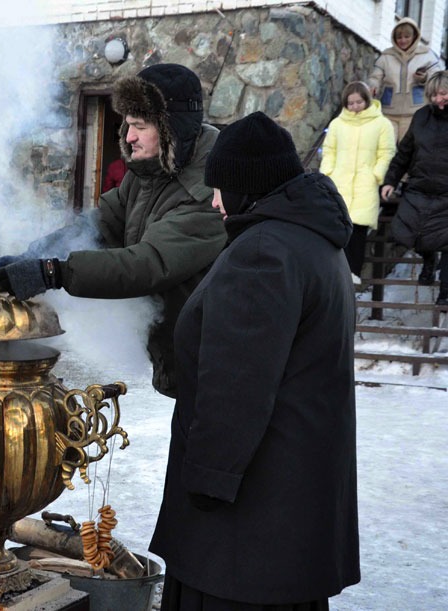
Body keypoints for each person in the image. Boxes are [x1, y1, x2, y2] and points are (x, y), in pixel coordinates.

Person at [149, 112, 360, 610]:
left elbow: (236, 388)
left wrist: (205, 482)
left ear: (249, 186)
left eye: (221, 187)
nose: (215, 200)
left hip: (248, 520)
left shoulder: (264, 251)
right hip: (290, 503)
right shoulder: (315, 241)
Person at [0, 64, 226, 398]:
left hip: (216, 365)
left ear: (172, 129)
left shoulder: (208, 188)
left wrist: (54, 272)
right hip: (181, 355)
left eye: (139, 126)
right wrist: (35, 254)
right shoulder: (149, 172)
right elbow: (102, 223)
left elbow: (148, 264)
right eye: (127, 125)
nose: (129, 138)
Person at [381, 71, 448, 305]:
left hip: (447, 194)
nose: (439, 99)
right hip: (419, 188)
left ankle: (445, 294)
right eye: (434, 95)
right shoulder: (421, 117)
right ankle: (428, 260)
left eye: (443, 93)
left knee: (446, 240)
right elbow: (405, 152)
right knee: (405, 233)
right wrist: (390, 180)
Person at [320, 81, 395, 283]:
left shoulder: (382, 124)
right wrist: (328, 173)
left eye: (358, 102)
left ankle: (353, 273)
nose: (354, 107)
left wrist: (376, 174)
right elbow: (329, 151)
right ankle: (336, 273)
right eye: (350, 103)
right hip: (340, 182)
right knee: (337, 228)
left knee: (358, 230)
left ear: (367, 100)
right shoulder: (337, 124)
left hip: (365, 184)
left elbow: (386, 152)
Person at [368, 17, 443, 142]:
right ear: (394, 38)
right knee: (387, 148)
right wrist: (373, 85)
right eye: (399, 37)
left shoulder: (427, 55)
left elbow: (438, 79)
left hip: (415, 113)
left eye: (407, 36)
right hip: (389, 112)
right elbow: (375, 77)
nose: (403, 40)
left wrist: (424, 78)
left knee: (408, 150)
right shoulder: (386, 56)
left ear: (415, 36)